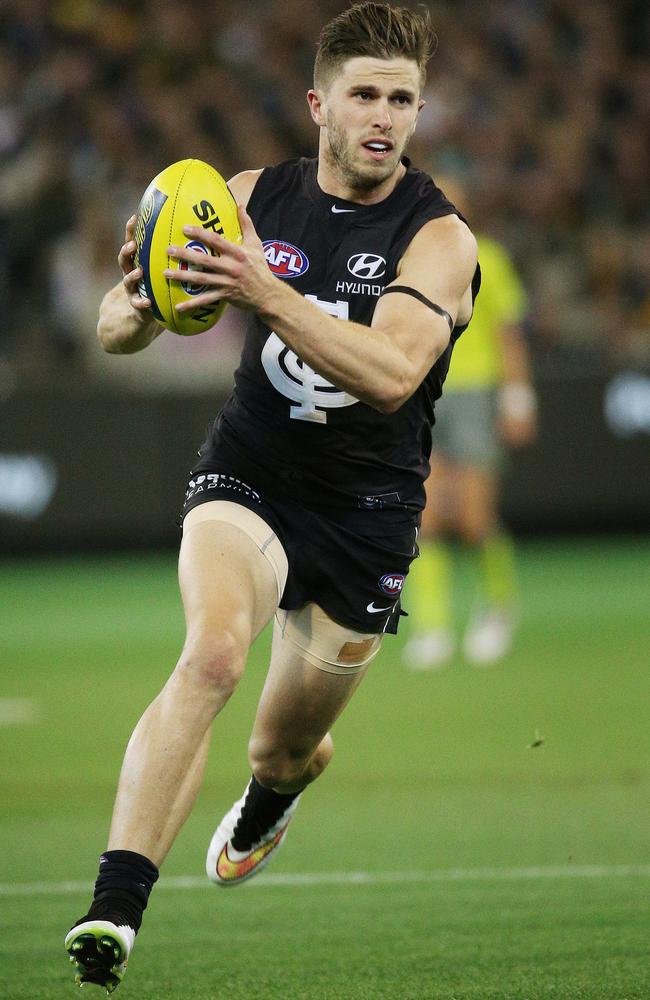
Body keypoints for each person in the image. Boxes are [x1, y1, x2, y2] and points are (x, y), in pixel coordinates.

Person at [65, 3, 480, 992]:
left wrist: (266, 292)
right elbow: (119, 330)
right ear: (318, 104)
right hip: (250, 475)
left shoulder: (438, 239)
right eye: (364, 95)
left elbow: (389, 375)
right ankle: (112, 910)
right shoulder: (247, 197)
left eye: (402, 99)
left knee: (284, 743)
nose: (383, 116)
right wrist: (138, 299)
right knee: (211, 651)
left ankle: (272, 792)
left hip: (365, 511)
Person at [402, 175, 536, 669]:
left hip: (478, 393)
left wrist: (518, 398)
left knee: (476, 518)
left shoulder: (491, 259)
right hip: (426, 393)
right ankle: (434, 627)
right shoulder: (414, 258)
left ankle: (499, 608)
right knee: (428, 517)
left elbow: (508, 336)